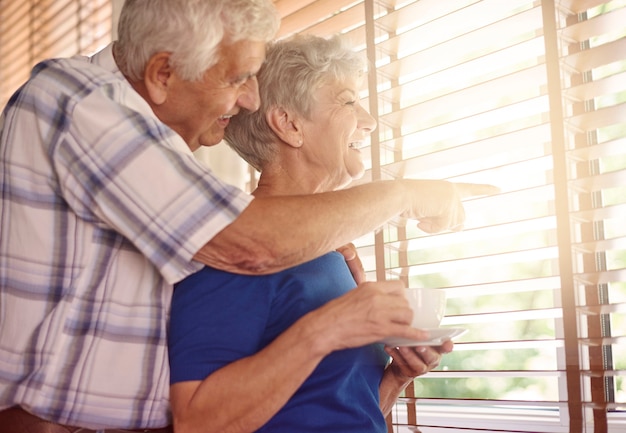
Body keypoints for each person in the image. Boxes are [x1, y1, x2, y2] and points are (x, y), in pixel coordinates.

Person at [0, 0, 496, 431]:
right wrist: (404, 196)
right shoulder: (84, 103)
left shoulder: (323, 251)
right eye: (239, 78)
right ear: (162, 73)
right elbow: (249, 249)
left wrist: (394, 376)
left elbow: (331, 411)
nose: (250, 100)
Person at [168, 34, 455, 433]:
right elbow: (197, 423)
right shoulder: (238, 247)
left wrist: (396, 377)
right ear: (289, 124)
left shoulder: (331, 252)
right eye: (349, 101)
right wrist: (329, 327)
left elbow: (338, 410)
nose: (370, 121)